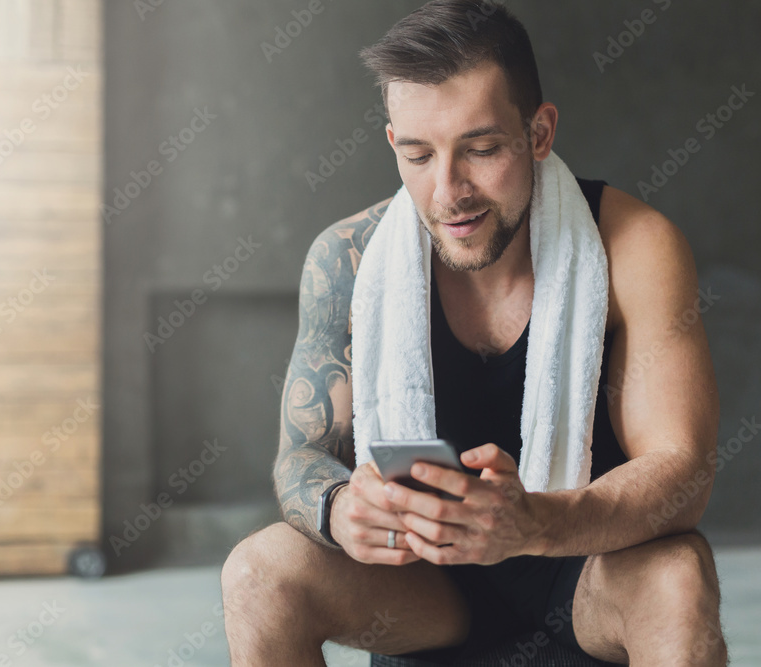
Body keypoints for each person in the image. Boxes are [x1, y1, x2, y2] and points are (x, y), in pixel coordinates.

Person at [221, 2, 726, 665]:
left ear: (539, 132)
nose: (447, 190)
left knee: (678, 572)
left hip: (585, 577)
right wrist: (338, 506)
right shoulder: (345, 260)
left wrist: (534, 524)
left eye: (481, 148)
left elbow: (683, 473)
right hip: (425, 592)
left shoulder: (634, 248)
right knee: (258, 573)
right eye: (419, 154)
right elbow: (301, 455)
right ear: (393, 143)